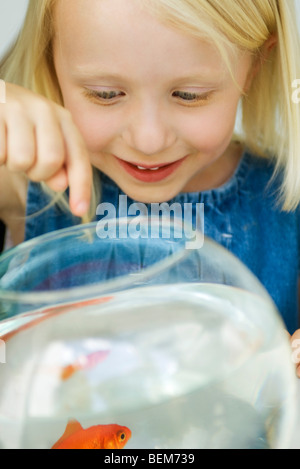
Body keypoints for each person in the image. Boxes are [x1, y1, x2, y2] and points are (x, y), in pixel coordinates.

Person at [1, 0, 300, 362]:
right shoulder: (22, 181)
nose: (148, 140)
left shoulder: (287, 206)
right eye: (105, 94)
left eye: (189, 95)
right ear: (51, 59)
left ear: (256, 65)